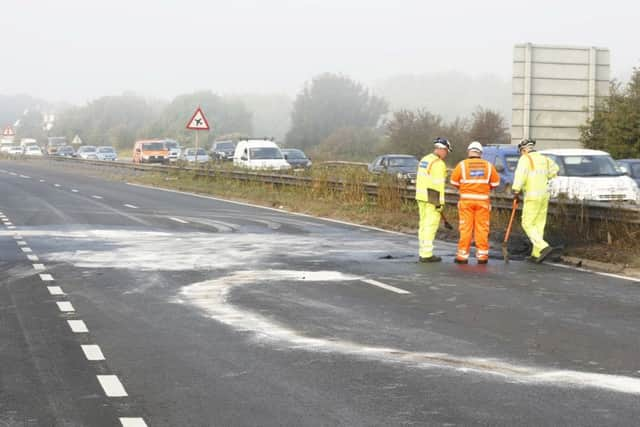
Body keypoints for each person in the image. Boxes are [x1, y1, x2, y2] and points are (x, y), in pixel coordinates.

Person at [450, 141, 500, 264]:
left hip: (466, 202)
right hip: (483, 202)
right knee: (482, 229)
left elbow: (454, 182)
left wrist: (464, 187)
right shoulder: (488, 166)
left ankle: (462, 256)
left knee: (465, 228)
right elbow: (495, 183)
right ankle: (482, 256)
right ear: (481, 153)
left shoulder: (462, 165)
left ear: (469, 152)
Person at [511, 139, 560, 263]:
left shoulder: (525, 159)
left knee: (527, 223)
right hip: (544, 196)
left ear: (524, 149)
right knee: (538, 225)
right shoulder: (544, 158)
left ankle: (544, 247)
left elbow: (520, 175)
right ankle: (536, 254)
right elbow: (555, 170)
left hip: (532, 196)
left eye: (521, 151)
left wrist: (516, 190)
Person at [415, 137, 452, 262]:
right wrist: (440, 204)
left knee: (423, 225)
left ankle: (423, 251)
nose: (446, 154)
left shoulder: (424, 159)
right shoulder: (438, 164)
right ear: (442, 149)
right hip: (432, 199)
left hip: (421, 197)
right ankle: (427, 254)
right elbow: (438, 185)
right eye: (446, 151)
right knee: (430, 226)